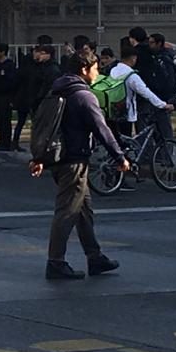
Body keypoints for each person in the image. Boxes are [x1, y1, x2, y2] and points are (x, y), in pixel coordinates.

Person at [29, 52, 129, 279]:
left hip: (58, 158)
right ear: (84, 69)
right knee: (67, 211)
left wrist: (39, 158)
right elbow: (102, 129)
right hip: (74, 161)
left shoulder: (56, 91)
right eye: (95, 68)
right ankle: (56, 262)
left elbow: (45, 127)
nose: (98, 72)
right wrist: (119, 156)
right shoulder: (84, 96)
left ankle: (95, 257)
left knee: (83, 211)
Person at [0, 44, 19, 151]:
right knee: (0, 119)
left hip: (6, 96)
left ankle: (6, 142)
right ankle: (1, 141)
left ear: (3, 52)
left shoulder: (9, 66)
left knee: (5, 119)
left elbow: (11, 82)